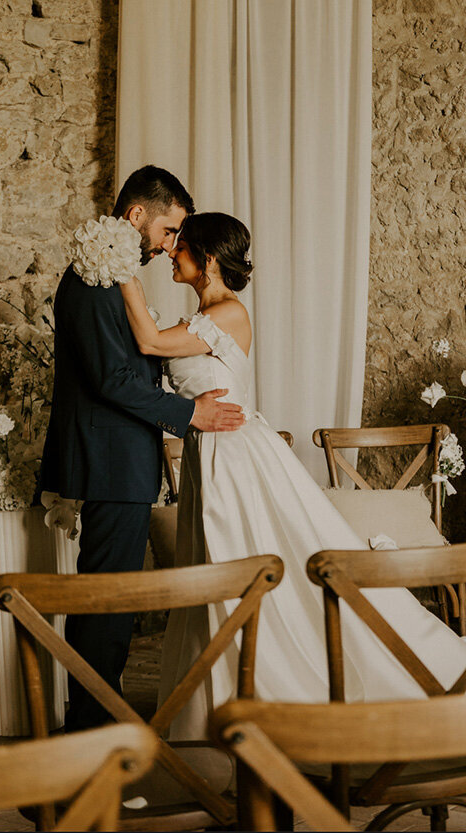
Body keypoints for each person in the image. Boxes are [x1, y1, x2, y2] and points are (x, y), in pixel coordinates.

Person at [119, 211, 466, 740]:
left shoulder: (230, 313)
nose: (171, 252)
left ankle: (264, 700)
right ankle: (213, 706)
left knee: (236, 569)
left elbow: (148, 342)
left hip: (232, 459)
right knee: (211, 573)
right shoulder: (203, 315)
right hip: (208, 453)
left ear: (207, 258)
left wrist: (117, 265)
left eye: (181, 246)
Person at [40, 169, 245, 733]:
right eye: (168, 228)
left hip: (123, 461)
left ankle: (98, 727)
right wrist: (188, 412)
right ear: (137, 217)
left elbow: (136, 361)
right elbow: (110, 379)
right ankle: (90, 736)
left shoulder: (112, 276)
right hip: (110, 463)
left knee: (114, 602)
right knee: (107, 604)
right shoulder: (93, 278)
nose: (170, 244)